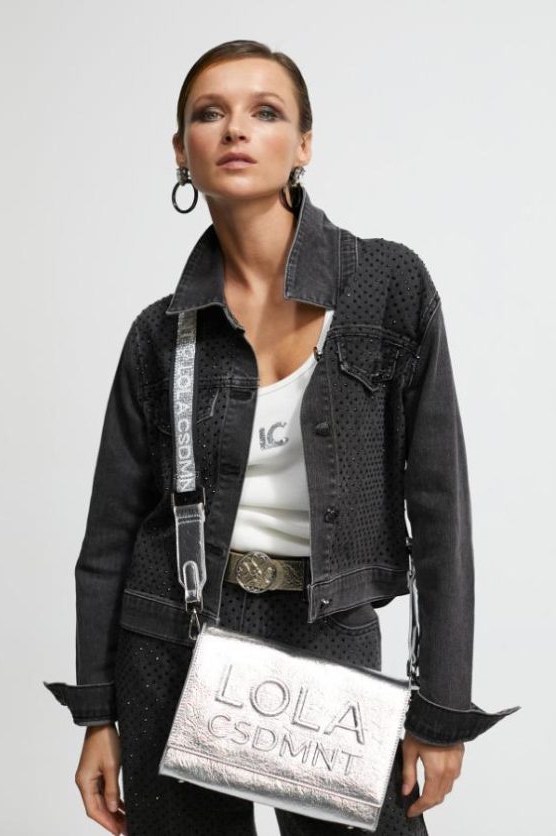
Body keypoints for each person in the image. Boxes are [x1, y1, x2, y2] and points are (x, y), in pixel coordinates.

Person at [43, 39, 521, 836]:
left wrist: (440, 711)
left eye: (265, 112)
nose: (236, 129)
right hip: (169, 640)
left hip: (329, 630)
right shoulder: (160, 335)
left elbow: (441, 511)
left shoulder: (388, 287)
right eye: (211, 114)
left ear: (303, 145)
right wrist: (98, 714)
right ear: (181, 151)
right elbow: (108, 537)